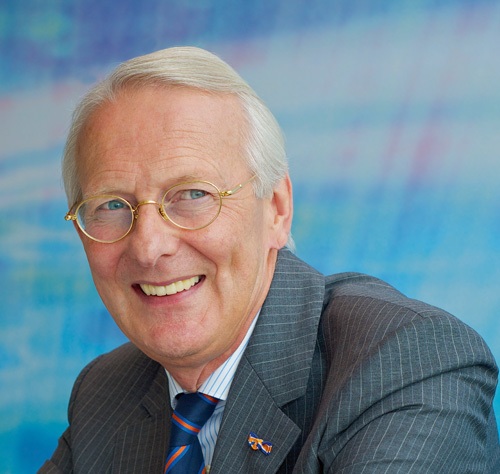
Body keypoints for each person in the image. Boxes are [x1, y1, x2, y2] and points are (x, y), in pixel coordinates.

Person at [38, 46, 499, 474]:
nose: (148, 247)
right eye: (111, 205)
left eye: (193, 195)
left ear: (276, 209)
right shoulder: (105, 391)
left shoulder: (406, 361)